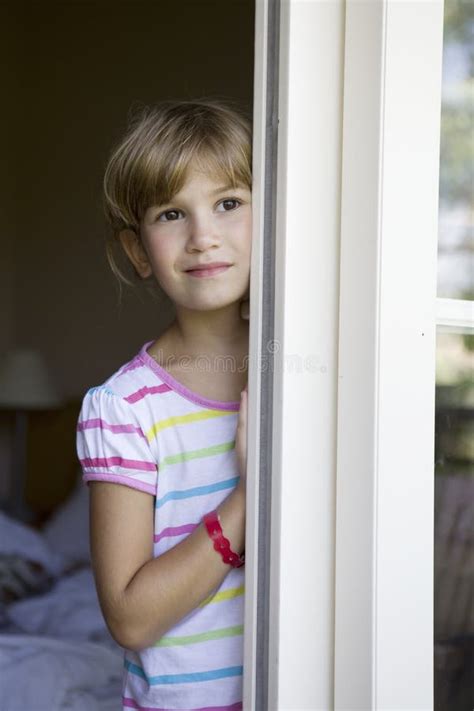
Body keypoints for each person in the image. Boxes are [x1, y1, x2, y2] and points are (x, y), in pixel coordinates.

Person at [76, 98, 251, 710]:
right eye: (173, 213)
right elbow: (130, 620)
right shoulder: (123, 408)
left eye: (228, 204)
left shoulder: (307, 382)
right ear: (138, 252)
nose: (204, 237)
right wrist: (248, 497)